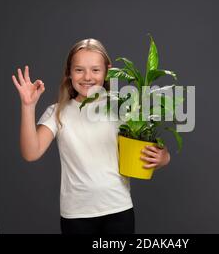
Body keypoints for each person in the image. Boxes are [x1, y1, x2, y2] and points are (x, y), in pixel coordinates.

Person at [11, 38, 171, 234]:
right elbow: (31, 152)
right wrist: (28, 106)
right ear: (69, 73)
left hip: (118, 210)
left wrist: (163, 157)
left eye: (95, 70)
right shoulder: (57, 112)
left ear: (107, 72)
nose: (87, 77)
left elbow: (150, 147)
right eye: (79, 70)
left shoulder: (122, 109)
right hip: (76, 215)